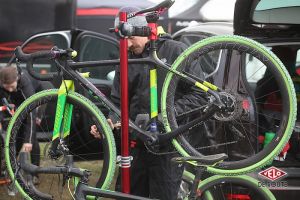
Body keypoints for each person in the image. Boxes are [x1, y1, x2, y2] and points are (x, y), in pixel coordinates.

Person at [90, 6, 206, 200]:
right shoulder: (125, 58)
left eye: (130, 38)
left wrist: (164, 116)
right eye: (122, 40)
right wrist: (109, 122)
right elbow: (118, 102)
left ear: (143, 30)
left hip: (168, 146)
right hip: (136, 145)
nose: (126, 45)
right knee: (128, 196)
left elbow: (201, 96)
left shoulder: (175, 50)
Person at [0, 65, 41, 183]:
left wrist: (28, 140)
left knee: (32, 139)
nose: (10, 90)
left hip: (39, 98)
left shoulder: (25, 83)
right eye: (6, 88)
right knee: (16, 135)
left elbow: (31, 112)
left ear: (17, 79)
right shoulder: (3, 82)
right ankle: (10, 168)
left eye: (12, 87)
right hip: (17, 102)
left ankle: (35, 174)